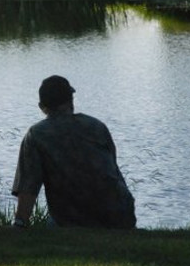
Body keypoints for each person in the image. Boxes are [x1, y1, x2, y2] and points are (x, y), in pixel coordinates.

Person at [11, 75, 136, 229]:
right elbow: (112, 168)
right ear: (71, 100)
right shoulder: (97, 126)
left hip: (74, 219)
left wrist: (20, 223)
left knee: (50, 226)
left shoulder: (36, 135)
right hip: (121, 214)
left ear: (42, 107)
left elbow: (28, 187)